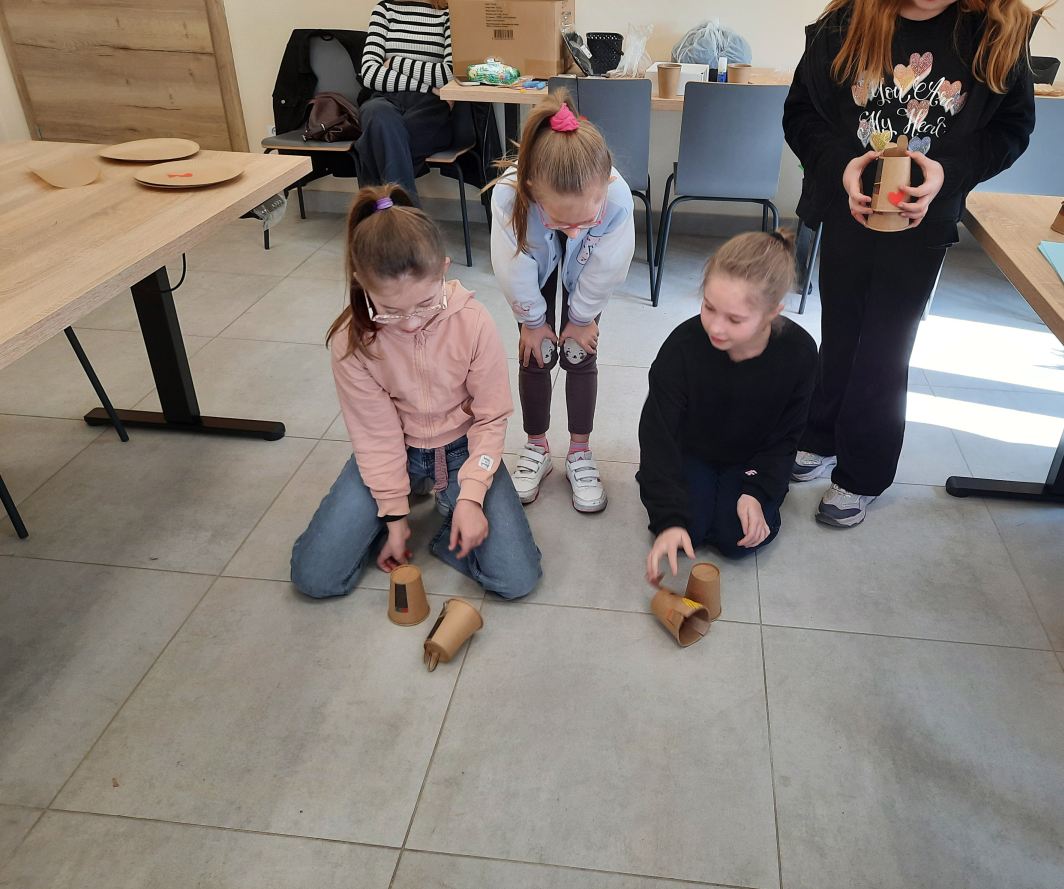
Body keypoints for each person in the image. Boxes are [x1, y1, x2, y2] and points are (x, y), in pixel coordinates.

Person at [784, 0, 1036, 526]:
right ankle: (821, 434)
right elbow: (801, 112)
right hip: (848, 209)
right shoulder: (846, 21)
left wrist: (951, 173)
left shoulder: (994, 33)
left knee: (885, 347)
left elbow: (1011, 129)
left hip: (922, 221)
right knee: (840, 329)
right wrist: (840, 166)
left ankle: (863, 472)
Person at [291, 185, 542, 601]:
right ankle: (409, 502)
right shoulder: (352, 341)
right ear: (361, 283)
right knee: (314, 578)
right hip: (396, 450)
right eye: (390, 310)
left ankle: (448, 508)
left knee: (516, 580)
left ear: (443, 269)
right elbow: (376, 436)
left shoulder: (474, 322)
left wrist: (472, 496)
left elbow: (491, 418)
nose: (409, 324)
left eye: (425, 303)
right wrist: (393, 519)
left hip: (464, 449)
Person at [640, 231, 818, 587]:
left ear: (772, 313)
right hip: (693, 450)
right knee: (688, 530)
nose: (716, 327)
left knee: (737, 540)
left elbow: (787, 436)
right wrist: (668, 518)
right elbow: (658, 437)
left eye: (735, 319)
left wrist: (758, 491)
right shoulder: (681, 349)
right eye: (708, 307)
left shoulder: (799, 354)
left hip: (754, 458)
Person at [487, 91, 636, 514]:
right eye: (561, 221)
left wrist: (582, 317)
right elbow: (512, 268)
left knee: (577, 351)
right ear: (532, 191)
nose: (572, 231)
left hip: (588, 269)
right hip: (532, 263)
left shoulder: (616, 199)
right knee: (536, 353)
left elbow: (607, 267)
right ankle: (536, 446)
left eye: (585, 220)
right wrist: (533, 323)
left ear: (605, 187)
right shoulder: (511, 195)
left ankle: (579, 452)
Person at [353, 0, 455, 204]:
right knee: (378, 116)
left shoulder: (449, 15)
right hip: (386, 99)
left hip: (429, 107)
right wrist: (428, 87)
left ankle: (381, 215)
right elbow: (370, 74)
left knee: (377, 140)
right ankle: (406, 214)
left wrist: (395, 62)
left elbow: (448, 74)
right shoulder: (385, 10)